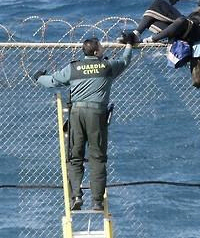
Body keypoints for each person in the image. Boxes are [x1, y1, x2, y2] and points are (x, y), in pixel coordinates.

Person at [34, 38, 133, 211]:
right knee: (97, 157)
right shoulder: (107, 67)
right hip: (97, 114)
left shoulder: (74, 68)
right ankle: (97, 201)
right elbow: (125, 61)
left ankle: (76, 197)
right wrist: (129, 45)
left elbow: (52, 81)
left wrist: (39, 77)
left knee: (75, 156)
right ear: (96, 52)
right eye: (101, 47)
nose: (103, 49)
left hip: (76, 114)